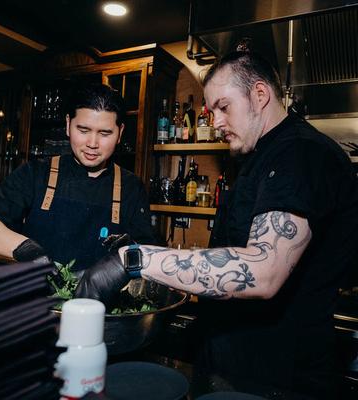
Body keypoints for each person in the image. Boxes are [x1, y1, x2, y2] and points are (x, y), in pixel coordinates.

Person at [75, 51, 358, 399]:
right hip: (235, 365)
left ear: (259, 94)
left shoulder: (299, 154)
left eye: (224, 107)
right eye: (212, 111)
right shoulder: (259, 156)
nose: (217, 121)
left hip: (277, 380)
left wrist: (134, 259)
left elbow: (263, 271)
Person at [0, 83, 155, 270]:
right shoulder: (35, 174)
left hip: (100, 299)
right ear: (68, 124)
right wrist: (29, 252)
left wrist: (129, 252)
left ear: (120, 133)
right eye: (83, 130)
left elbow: (147, 253)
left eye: (105, 133)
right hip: (36, 294)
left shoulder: (131, 187)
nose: (92, 143)